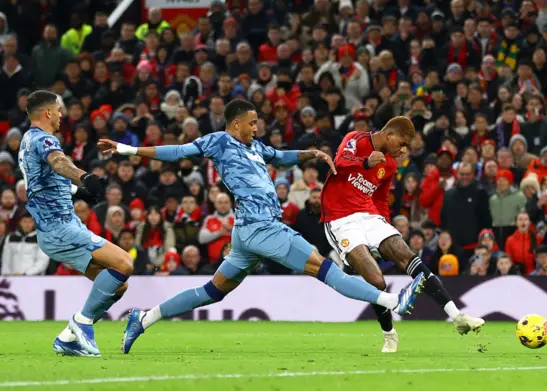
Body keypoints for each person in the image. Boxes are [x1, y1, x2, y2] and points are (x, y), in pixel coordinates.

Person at [98, 100, 425, 354]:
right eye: (252, 123)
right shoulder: (219, 142)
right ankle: (392, 302)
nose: (256, 127)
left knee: (212, 291)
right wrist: (130, 149)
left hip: (246, 234)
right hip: (262, 227)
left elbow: (279, 157)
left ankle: (143, 318)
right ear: (236, 122)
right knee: (324, 269)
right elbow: (178, 151)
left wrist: (309, 154)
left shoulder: (255, 147)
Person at [321, 116, 484, 353]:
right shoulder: (356, 138)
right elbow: (338, 161)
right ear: (389, 135)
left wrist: (387, 228)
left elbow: (380, 198)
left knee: (405, 254)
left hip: (369, 215)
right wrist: (365, 162)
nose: (403, 150)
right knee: (376, 280)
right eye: (402, 143)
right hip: (339, 218)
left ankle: (457, 316)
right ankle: (389, 334)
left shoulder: (390, 165)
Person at [18, 90, 134, 357]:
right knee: (125, 263)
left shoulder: (26, 140)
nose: (61, 114)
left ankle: (68, 338)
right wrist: (84, 177)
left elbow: (42, 182)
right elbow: (58, 162)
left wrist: (77, 192)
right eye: (58, 110)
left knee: (119, 284)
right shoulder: (45, 140)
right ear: (47, 112)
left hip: (60, 227)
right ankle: (81, 323)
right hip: (59, 228)